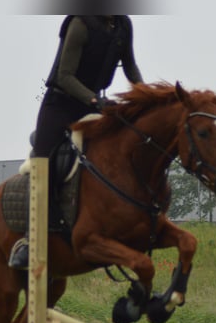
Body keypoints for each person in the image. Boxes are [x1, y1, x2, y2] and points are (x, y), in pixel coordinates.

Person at [8, 15, 144, 269]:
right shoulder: (80, 24)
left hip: (95, 103)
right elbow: (65, 76)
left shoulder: (123, 26)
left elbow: (131, 68)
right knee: (43, 161)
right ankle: (30, 239)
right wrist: (94, 101)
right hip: (61, 104)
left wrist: (147, 96)